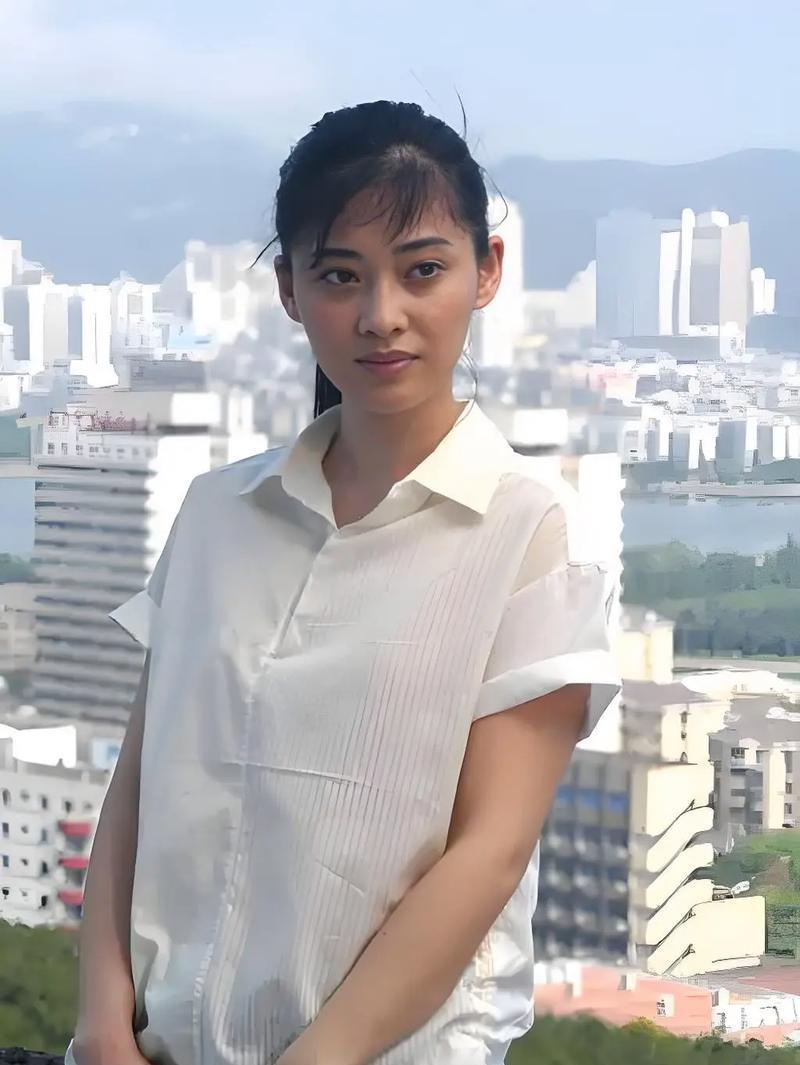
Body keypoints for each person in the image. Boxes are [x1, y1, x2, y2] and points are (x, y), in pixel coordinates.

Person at [66, 100, 621, 1065]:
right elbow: (140, 783)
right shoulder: (215, 514)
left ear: (486, 270)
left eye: (422, 270)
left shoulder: (529, 533)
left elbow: (488, 854)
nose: (381, 315)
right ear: (290, 288)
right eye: (339, 275)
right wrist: (102, 1024)